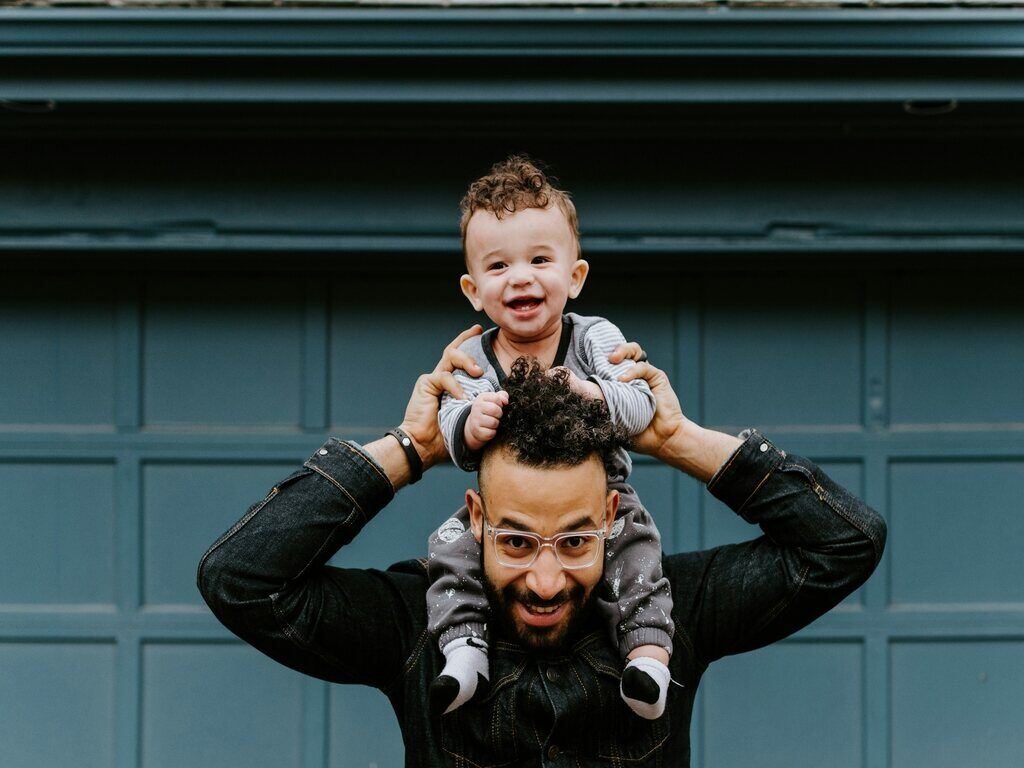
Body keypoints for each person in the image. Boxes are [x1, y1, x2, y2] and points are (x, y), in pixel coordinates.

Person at [197, 327, 887, 768]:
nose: (548, 580)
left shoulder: (674, 612)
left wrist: (677, 440)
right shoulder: (416, 623)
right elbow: (241, 579)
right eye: (518, 542)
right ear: (476, 518)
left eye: (577, 540)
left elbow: (844, 542)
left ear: (613, 515)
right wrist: (411, 450)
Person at [429, 155, 672, 720]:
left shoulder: (594, 338)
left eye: (540, 259)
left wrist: (593, 393)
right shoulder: (469, 356)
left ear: (575, 276)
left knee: (638, 553)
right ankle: (464, 648)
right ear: (472, 289)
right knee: (450, 549)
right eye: (498, 266)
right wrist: (470, 422)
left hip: (600, 495)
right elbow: (450, 433)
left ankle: (648, 656)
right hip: (502, 507)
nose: (521, 276)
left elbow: (640, 407)